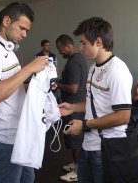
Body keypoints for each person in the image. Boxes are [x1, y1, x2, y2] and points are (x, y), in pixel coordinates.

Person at [0, 2, 49, 183]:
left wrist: (34, 86)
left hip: (19, 134)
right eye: (22, 28)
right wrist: (30, 68)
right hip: (3, 138)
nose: (24, 34)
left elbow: (11, 87)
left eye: (27, 31)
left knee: (27, 179)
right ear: (6, 20)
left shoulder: (7, 49)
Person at [59, 17, 132, 183]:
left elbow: (123, 116)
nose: (81, 47)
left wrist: (84, 125)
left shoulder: (117, 70)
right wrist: (72, 107)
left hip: (107, 149)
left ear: (98, 42)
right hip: (88, 145)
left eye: (84, 43)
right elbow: (94, 103)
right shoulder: (93, 68)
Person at [55, 34, 88, 182]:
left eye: (61, 50)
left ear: (68, 46)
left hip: (74, 105)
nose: (60, 52)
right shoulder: (78, 58)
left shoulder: (74, 62)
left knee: (75, 139)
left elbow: (74, 88)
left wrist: (57, 84)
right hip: (76, 103)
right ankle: (76, 164)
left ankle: (78, 171)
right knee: (74, 139)